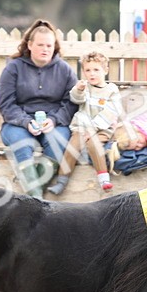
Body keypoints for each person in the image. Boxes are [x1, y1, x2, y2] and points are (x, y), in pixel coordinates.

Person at [0, 18, 77, 198]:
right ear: (30, 45)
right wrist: (26, 122)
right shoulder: (13, 68)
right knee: (22, 145)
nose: (45, 49)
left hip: (54, 122)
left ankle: (34, 197)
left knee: (58, 143)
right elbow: (7, 105)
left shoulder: (65, 70)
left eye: (49, 45)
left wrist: (55, 120)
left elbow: (71, 103)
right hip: (18, 123)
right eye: (40, 45)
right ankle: (36, 199)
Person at [47, 51, 122, 195]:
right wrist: (78, 90)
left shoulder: (111, 90)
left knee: (93, 143)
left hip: (102, 129)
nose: (92, 74)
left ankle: (104, 179)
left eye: (96, 70)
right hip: (81, 128)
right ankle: (62, 181)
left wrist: (92, 129)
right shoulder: (84, 87)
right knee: (72, 146)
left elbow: (111, 112)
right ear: (83, 72)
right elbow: (76, 100)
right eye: (88, 70)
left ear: (105, 70)